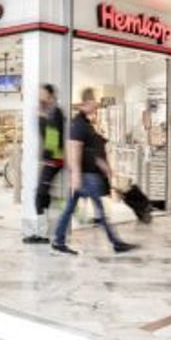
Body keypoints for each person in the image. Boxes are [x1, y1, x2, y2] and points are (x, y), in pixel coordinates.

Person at [52, 88, 135, 255]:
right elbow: (74, 148)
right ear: (86, 103)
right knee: (100, 211)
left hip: (87, 175)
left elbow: (92, 151)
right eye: (94, 103)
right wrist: (76, 174)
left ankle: (58, 240)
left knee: (72, 208)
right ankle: (116, 242)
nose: (96, 106)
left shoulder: (86, 123)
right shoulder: (79, 124)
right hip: (86, 176)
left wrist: (105, 167)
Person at [24, 84, 65, 245]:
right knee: (43, 195)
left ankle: (42, 234)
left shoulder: (55, 113)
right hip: (52, 160)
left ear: (49, 96)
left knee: (40, 195)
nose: (40, 97)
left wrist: (41, 118)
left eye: (42, 94)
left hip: (54, 160)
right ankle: (43, 231)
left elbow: (52, 140)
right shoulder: (51, 112)